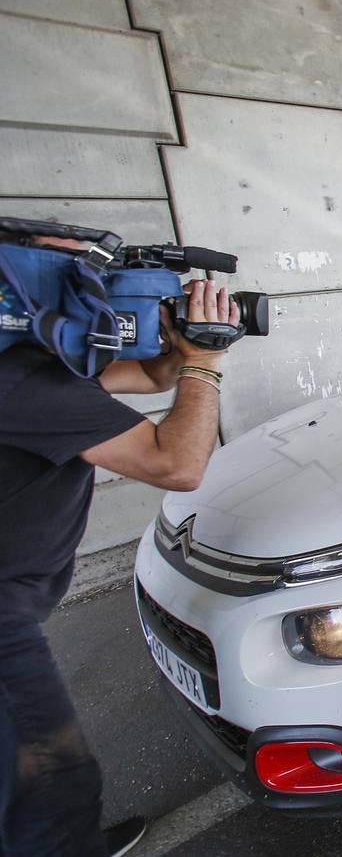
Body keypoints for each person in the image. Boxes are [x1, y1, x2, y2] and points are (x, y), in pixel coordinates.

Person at [1, 233, 242, 856]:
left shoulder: (37, 363)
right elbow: (178, 465)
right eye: (83, 281)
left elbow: (147, 374)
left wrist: (181, 343)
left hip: (17, 597)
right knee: (51, 773)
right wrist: (205, 363)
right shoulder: (21, 379)